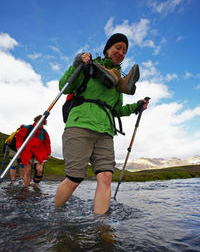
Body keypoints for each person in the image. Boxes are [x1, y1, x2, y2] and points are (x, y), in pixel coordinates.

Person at [54, 33, 149, 214]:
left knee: (105, 177)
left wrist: (137, 106)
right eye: (118, 48)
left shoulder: (118, 84)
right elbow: (64, 85)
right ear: (108, 49)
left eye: (124, 51)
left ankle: (101, 229)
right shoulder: (88, 65)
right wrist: (77, 64)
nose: (121, 53)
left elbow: (116, 110)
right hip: (80, 124)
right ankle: (55, 214)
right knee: (74, 178)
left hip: (105, 131)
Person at [15, 115, 51, 187]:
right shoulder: (27, 128)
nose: (40, 125)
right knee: (27, 171)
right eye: (39, 123)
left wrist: (48, 153)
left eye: (42, 124)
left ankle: (36, 183)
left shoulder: (44, 132)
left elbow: (47, 143)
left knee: (39, 170)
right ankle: (26, 188)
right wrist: (19, 146)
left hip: (39, 152)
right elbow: (19, 137)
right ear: (35, 121)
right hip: (27, 151)